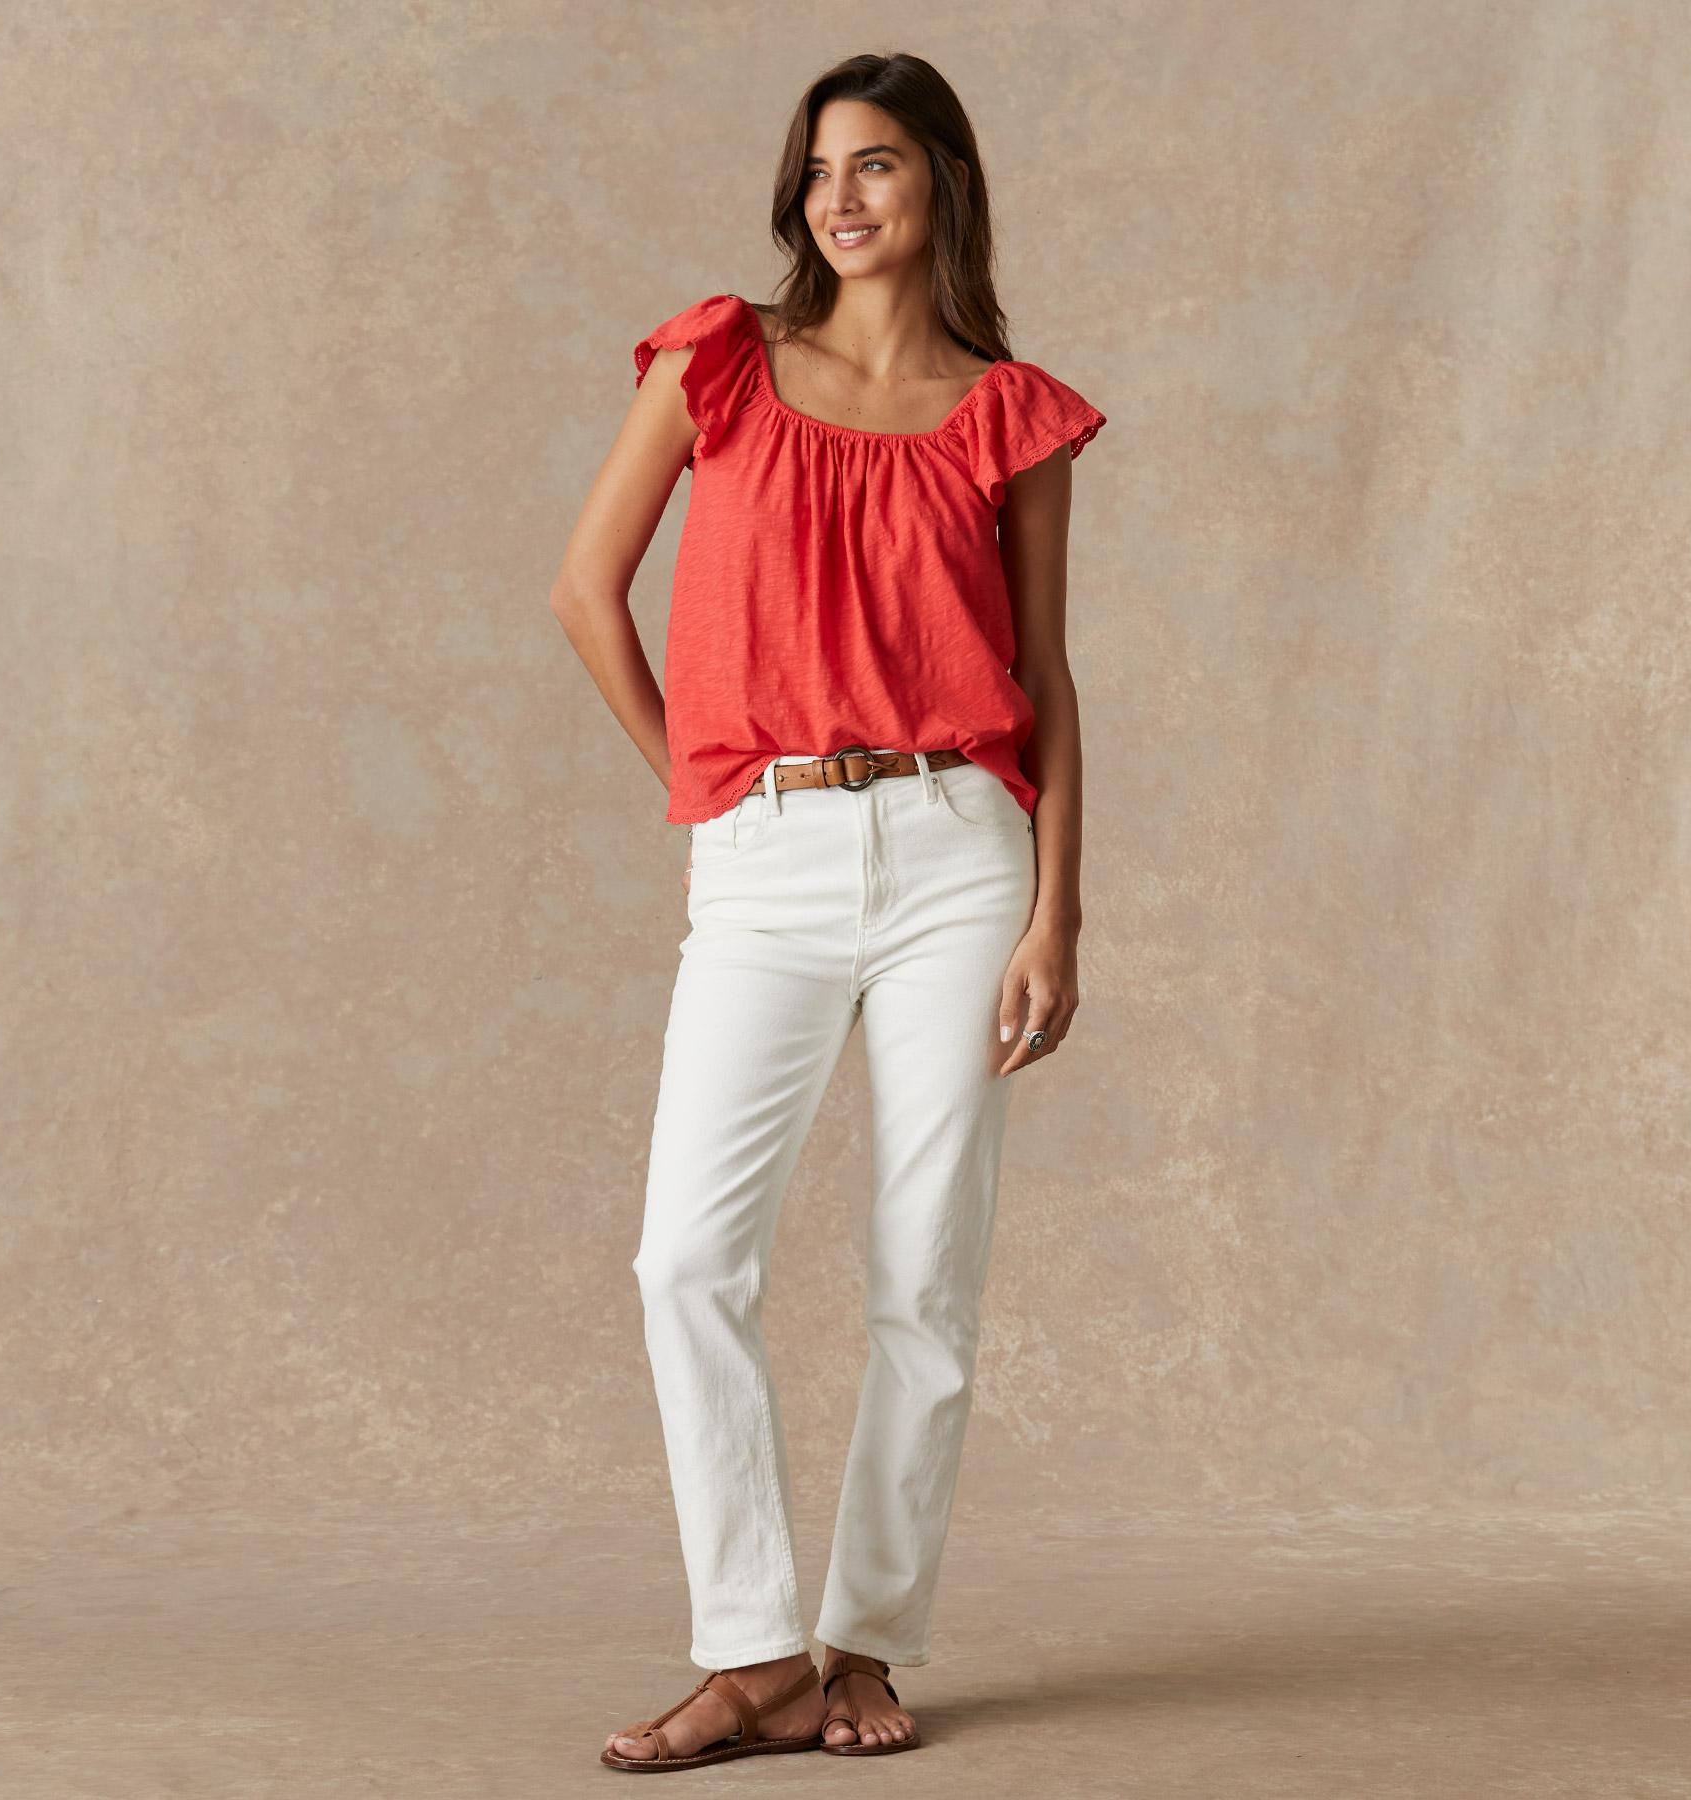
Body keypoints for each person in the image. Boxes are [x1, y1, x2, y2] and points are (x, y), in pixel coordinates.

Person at [550, 50, 1105, 1772]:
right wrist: (707, 784)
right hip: (768, 856)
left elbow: (1043, 675)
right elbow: (584, 589)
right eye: (817, 171)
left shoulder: (1010, 414)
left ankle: (861, 1643)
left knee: (926, 1271)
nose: (838, 199)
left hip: (962, 856)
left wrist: (1059, 915)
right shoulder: (721, 359)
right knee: (685, 1258)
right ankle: (752, 1655)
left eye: (873, 165)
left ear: (942, 180)